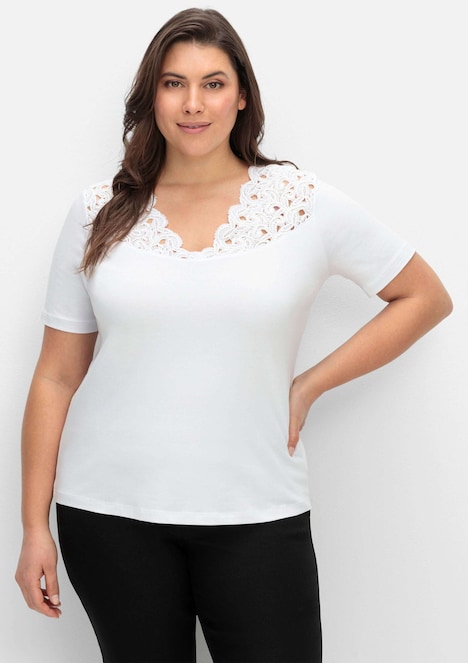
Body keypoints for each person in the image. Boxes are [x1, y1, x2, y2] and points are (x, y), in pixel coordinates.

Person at [15, 7, 452, 663]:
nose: (193, 103)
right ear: (152, 95)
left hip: (257, 512)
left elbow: (424, 296)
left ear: (242, 95)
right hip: (108, 514)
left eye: (213, 83)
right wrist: (33, 527)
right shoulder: (96, 211)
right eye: (174, 83)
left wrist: (309, 384)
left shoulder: (301, 202)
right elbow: (55, 375)